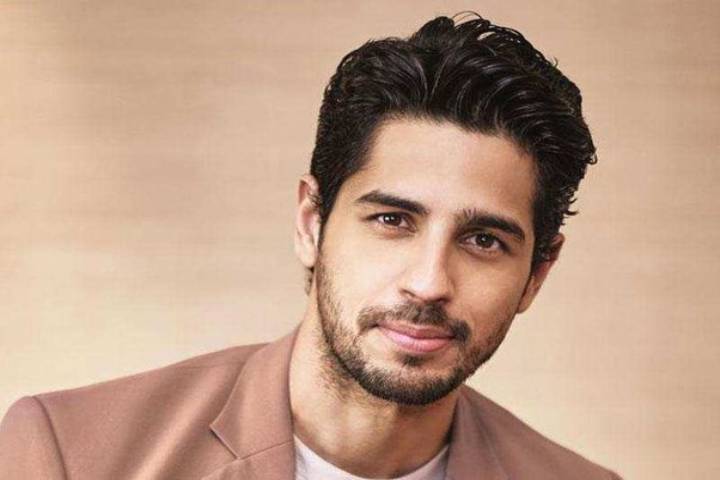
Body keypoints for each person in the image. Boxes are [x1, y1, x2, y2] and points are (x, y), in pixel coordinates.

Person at [0, 13, 622, 480]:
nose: (430, 282)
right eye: (392, 220)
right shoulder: (69, 455)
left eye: (484, 240)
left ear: (537, 274)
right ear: (311, 223)